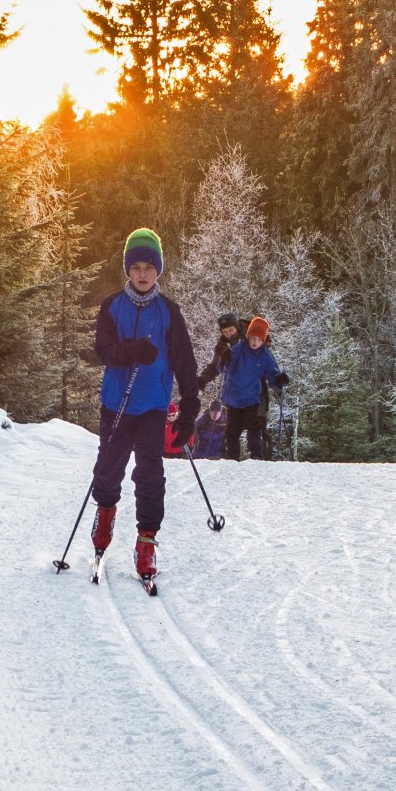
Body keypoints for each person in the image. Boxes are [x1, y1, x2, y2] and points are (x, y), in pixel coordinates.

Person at [89, 228, 201, 581]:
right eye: (135, 267)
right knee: (108, 469)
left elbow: (185, 362)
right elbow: (102, 350)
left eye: (149, 267)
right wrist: (129, 350)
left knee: (150, 475)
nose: (142, 274)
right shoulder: (112, 306)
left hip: (153, 406)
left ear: (158, 270)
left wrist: (189, 408)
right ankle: (105, 516)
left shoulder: (169, 311)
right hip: (116, 405)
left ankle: (146, 541)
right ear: (127, 269)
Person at [220, 316, 289, 461]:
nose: (255, 342)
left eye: (259, 339)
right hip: (233, 397)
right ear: (247, 336)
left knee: (254, 426)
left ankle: (256, 455)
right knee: (232, 429)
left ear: (263, 340)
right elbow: (224, 369)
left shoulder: (265, 355)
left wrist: (278, 380)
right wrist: (225, 359)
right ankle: (232, 457)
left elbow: (271, 374)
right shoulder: (238, 349)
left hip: (251, 398)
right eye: (252, 338)